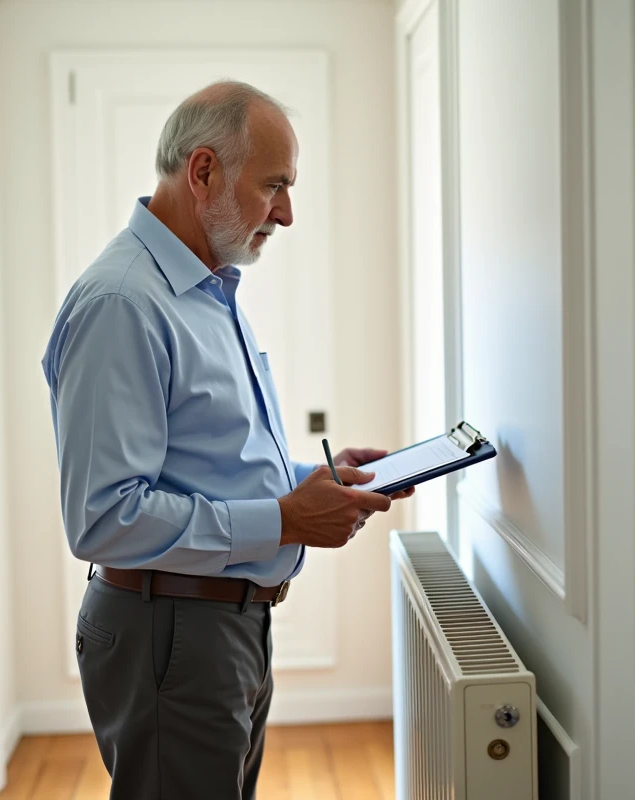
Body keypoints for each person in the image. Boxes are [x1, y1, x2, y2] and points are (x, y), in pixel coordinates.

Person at [41, 80, 412, 800]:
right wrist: (282, 519)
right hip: (171, 634)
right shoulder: (124, 302)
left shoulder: (209, 289)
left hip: (218, 628)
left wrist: (319, 479)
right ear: (203, 170)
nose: (288, 213)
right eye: (275, 185)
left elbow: (211, 457)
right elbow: (102, 516)